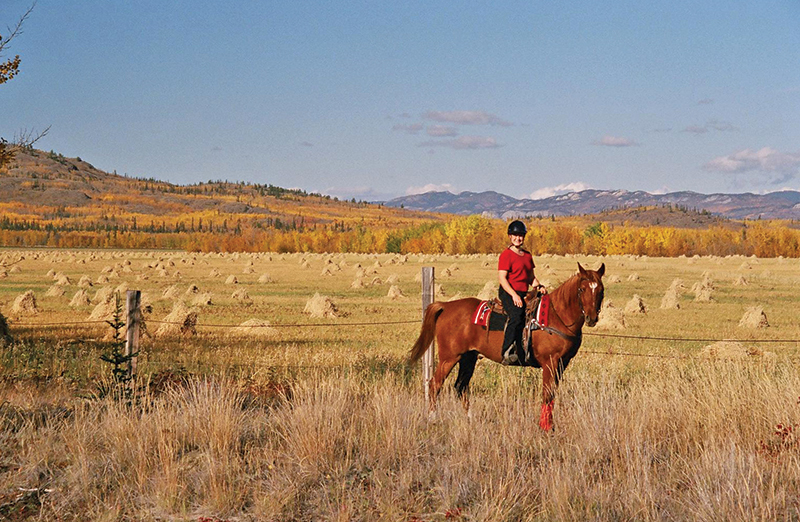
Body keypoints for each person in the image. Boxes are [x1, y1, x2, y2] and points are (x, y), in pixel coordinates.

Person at [498, 220, 544, 364]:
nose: (518, 238)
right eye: (515, 235)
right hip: (508, 291)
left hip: (523, 292)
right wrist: (514, 295)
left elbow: (530, 277)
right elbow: (502, 279)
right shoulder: (506, 255)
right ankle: (506, 351)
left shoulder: (527, 256)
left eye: (521, 235)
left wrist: (540, 286)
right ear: (510, 237)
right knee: (517, 315)